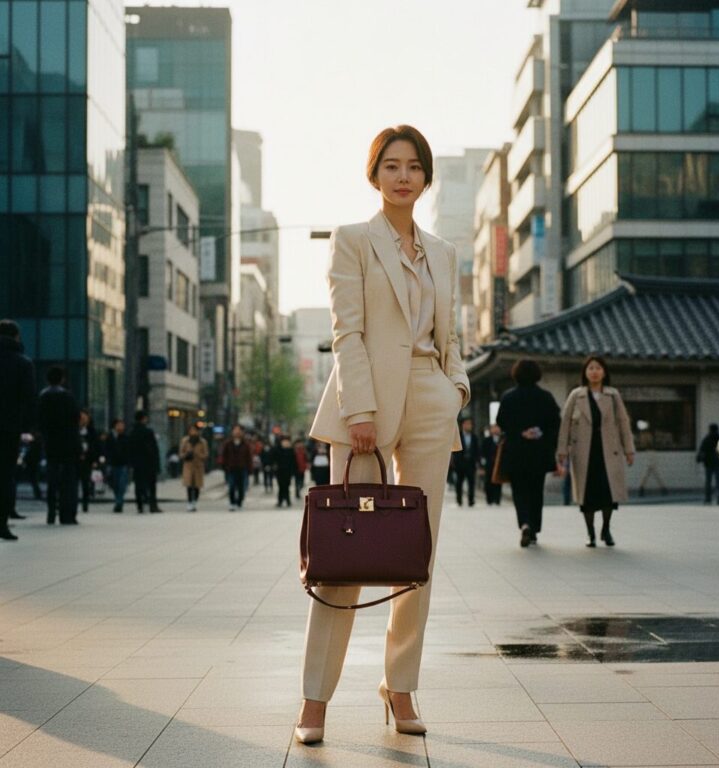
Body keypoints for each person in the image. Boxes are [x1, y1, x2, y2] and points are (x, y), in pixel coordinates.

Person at [297, 125, 469, 744]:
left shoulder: (444, 253)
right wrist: (360, 408)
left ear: (426, 178)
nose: (403, 176)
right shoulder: (352, 241)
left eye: (414, 166)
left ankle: (400, 687)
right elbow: (347, 331)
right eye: (391, 166)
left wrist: (457, 389)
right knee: (343, 553)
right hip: (362, 399)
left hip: (430, 397)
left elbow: (452, 337)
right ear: (375, 175)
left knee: (414, 557)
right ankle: (314, 701)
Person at [557, 356, 635, 548]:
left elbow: (623, 422)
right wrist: (562, 450)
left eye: (598, 368)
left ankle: (606, 529)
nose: (594, 371)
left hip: (609, 450)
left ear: (604, 372)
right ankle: (590, 533)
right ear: (585, 372)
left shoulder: (613, 395)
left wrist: (629, 449)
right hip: (584, 451)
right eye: (590, 368)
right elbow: (565, 423)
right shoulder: (576, 395)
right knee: (587, 495)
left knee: (609, 493)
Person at [496, 360, 560, 547]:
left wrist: (519, 432)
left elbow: (501, 421)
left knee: (519, 491)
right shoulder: (545, 397)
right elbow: (555, 422)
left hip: (516, 451)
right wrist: (539, 432)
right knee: (536, 491)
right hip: (538, 452)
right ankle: (534, 528)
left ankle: (524, 523)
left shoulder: (508, 397)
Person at [0, 320, 36, 540]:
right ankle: (2, 523)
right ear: (16, 337)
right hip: (9, 428)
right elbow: (29, 400)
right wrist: (28, 428)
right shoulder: (23, 363)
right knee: (5, 475)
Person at [38, 366, 81, 526]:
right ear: (62, 379)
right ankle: (67, 514)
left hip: (51, 444)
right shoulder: (67, 397)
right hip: (68, 444)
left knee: (52, 479)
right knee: (68, 481)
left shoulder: (43, 397)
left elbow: (40, 421)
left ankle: (51, 512)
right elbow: (75, 419)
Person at [129, 411, 162, 514]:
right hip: (149, 462)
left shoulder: (132, 432)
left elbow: (130, 449)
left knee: (138, 484)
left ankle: (140, 505)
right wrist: (157, 464)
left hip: (137, 463)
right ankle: (153, 505)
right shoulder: (148, 432)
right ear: (144, 418)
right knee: (151, 485)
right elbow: (154, 449)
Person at [221, 424, 251, 511]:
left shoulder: (246, 444)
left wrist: (249, 469)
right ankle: (232, 503)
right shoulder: (228, 443)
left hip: (242, 468)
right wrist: (224, 466)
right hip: (231, 468)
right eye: (235, 430)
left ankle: (239, 502)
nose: (237, 432)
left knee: (242, 487)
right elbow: (224, 456)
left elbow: (249, 457)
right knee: (231, 486)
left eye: (239, 430)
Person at [180, 424, 208, 511]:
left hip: (198, 466)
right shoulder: (185, 440)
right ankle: (189, 502)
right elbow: (181, 453)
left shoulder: (202, 442)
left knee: (197, 486)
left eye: (194, 430)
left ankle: (194, 502)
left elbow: (206, 455)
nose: (193, 432)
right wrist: (186, 454)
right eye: (191, 430)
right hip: (188, 465)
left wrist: (197, 453)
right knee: (189, 485)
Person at [452, 418, 480, 507]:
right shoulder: (458, 436)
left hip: (471, 464)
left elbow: (477, 451)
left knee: (471, 483)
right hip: (460, 464)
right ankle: (459, 500)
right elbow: (455, 451)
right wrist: (457, 462)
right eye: (466, 424)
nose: (468, 426)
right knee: (459, 483)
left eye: (470, 424)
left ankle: (471, 501)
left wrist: (477, 462)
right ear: (462, 425)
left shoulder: (474, 437)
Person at [105, 418, 131, 512]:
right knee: (115, 484)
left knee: (122, 484)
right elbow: (106, 450)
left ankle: (119, 502)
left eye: (122, 425)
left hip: (123, 464)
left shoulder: (125, 437)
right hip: (113, 464)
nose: (121, 427)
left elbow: (128, 451)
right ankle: (118, 500)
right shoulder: (109, 437)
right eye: (119, 425)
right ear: (114, 426)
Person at [77, 409, 99, 513]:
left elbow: (95, 446)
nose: (83, 420)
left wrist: (95, 460)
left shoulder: (91, 431)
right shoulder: (74, 430)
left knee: (86, 483)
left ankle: (85, 504)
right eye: (81, 418)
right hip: (75, 460)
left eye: (85, 418)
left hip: (87, 461)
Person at [696, 423, 719, 505]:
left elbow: (702, 450)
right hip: (718, 462)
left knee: (708, 481)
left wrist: (699, 458)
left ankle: (708, 498)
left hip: (708, 463)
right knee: (718, 481)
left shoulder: (707, 439)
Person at [479, 424, 503, 505]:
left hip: (499, 465)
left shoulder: (502, 440)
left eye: (497, 428)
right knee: (488, 482)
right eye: (494, 428)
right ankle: (489, 500)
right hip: (489, 465)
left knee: (498, 482)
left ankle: (497, 499)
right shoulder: (486, 440)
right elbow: (482, 454)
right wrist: (482, 466)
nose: (496, 430)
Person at [273, 435, 298, 508]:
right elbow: (273, 459)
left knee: (287, 486)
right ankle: (280, 501)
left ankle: (288, 500)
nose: (286, 443)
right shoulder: (277, 450)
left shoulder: (291, 450)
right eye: (284, 441)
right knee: (280, 486)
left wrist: (294, 471)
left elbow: (294, 462)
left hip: (288, 472)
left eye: (287, 441)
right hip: (280, 471)